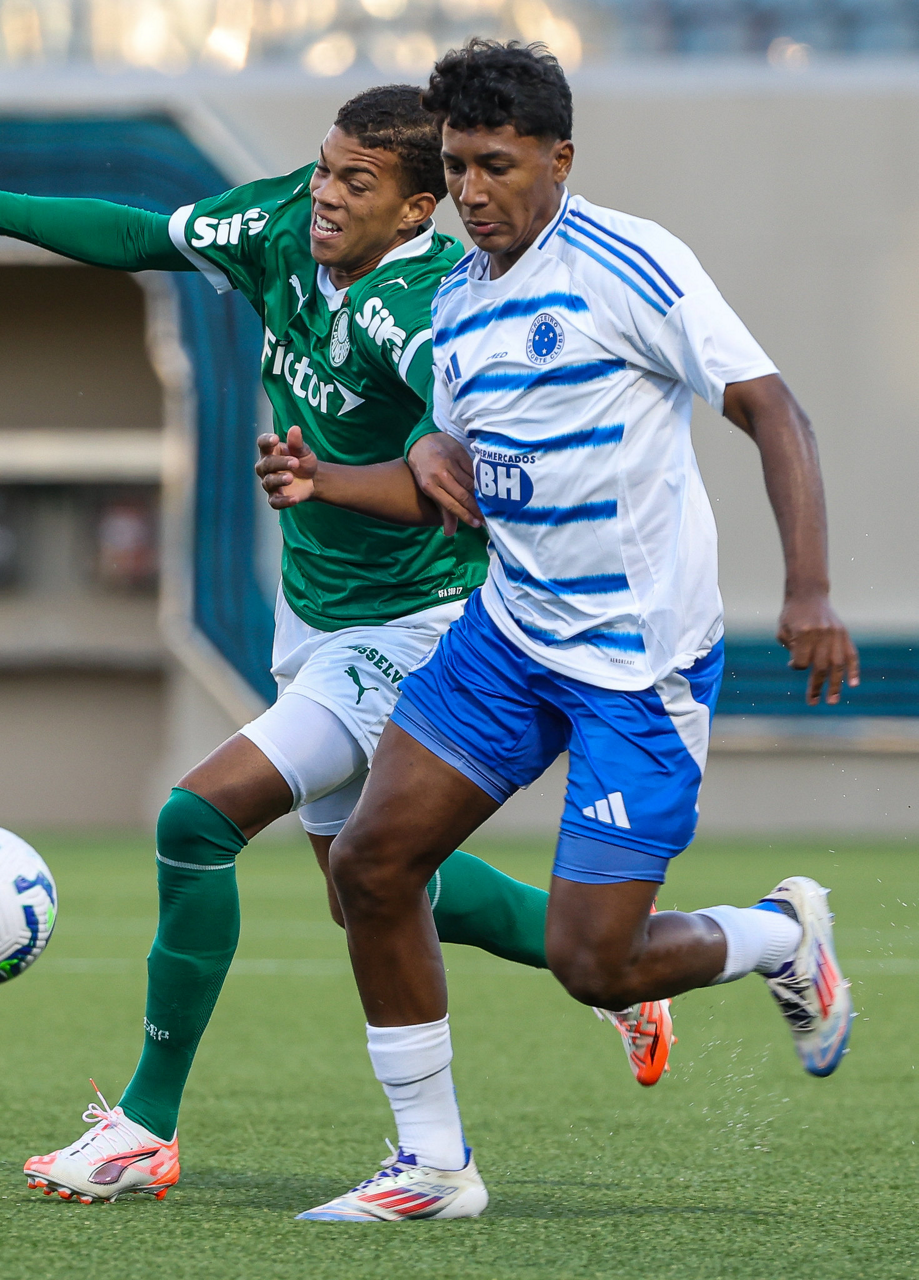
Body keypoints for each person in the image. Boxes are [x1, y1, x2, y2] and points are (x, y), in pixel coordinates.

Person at [0, 87, 660, 1209]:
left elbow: (458, 457)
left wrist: (383, 465)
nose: (325, 195)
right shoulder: (280, 224)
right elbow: (136, 233)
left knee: (196, 819)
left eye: (357, 182)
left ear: (416, 208)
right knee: (368, 882)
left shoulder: (423, 309)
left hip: (416, 629)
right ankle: (621, 968)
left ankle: (146, 1127)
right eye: (323, 167)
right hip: (314, 613)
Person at [257, 40, 860, 1223]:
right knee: (369, 866)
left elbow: (771, 406)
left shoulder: (628, 263)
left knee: (595, 963)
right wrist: (331, 479)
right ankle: (431, 1165)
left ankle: (779, 934)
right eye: (455, 167)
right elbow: (459, 485)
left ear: (558, 159)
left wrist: (809, 590)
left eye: (495, 164)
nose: (471, 191)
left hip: (637, 667)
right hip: (509, 638)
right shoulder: (456, 299)